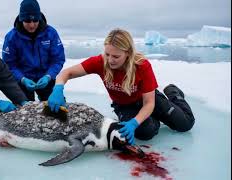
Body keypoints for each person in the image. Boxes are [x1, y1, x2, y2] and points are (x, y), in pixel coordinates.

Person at [47, 28, 195, 145]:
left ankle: (174, 93)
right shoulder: (100, 62)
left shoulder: (142, 66)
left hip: (148, 99)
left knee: (185, 125)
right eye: (107, 54)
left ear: (128, 53)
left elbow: (149, 103)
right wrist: (58, 88)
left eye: (116, 56)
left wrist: (134, 122)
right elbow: (66, 73)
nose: (110, 60)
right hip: (125, 106)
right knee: (146, 132)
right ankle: (151, 119)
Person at [2, 0, 65, 101]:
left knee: (56, 106)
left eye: (35, 20)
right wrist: (22, 79)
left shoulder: (50, 33)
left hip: (47, 77)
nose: (32, 25)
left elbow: (58, 60)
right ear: (21, 19)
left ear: (39, 18)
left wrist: (49, 76)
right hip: (22, 79)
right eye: (27, 21)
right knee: (23, 110)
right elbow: (9, 64)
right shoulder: (11, 37)